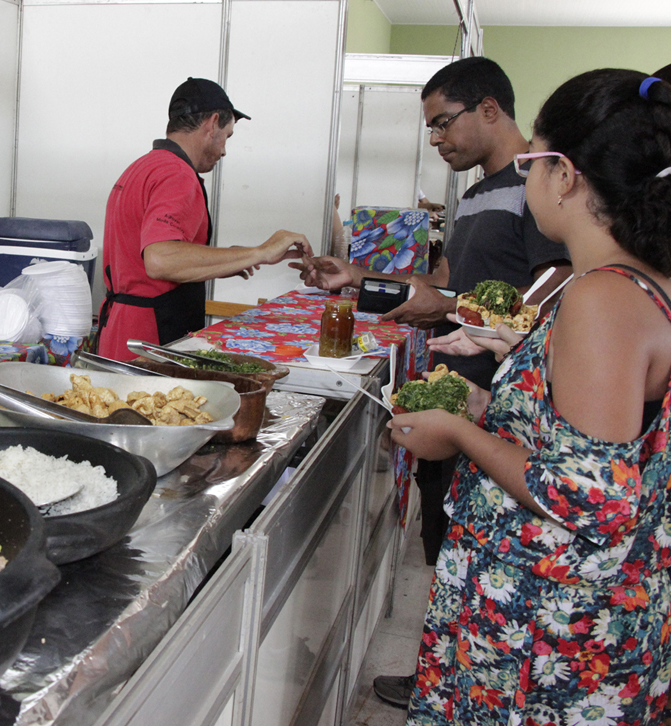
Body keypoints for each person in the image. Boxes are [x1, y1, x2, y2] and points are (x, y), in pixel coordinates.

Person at [391, 68, 671, 725]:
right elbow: (596, 437)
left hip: (546, 632)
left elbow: (591, 497)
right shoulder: (642, 283)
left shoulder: (602, 298)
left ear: (565, 174)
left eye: (533, 161)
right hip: (571, 617)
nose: (526, 178)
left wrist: (459, 435)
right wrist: (487, 409)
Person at [294, 57, 573, 709]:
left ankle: (466, 687)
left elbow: (541, 297)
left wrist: (448, 308)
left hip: (497, 412)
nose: (437, 139)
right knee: (447, 548)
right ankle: (446, 674)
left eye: (443, 123)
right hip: (454, 398)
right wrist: (357, 280)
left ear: (488, 110)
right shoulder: (476, 197)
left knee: (480, 562)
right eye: (430, 128)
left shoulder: (537, 186)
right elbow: (443, 289)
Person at [97, 77, 313, 361]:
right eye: (227, 136)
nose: (223, 150)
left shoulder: (142, 167)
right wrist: (260, 252)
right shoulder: (177, 175)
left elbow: (145, 257)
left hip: (118, 332)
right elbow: (161, 259)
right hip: (151, 340)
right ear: (211, 124)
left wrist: (231, 259)